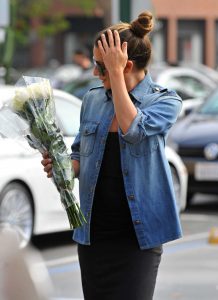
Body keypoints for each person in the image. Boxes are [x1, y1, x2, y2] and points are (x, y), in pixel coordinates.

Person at [41, 11, 182, 300]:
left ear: (124, 65)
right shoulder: (93, 98)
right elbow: (80, 154)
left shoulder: (166, 101)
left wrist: (116, 76)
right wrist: (63, 166)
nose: (95, 73)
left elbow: (134, 130)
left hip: (137, 238)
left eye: (101, 66)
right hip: (94, 235)